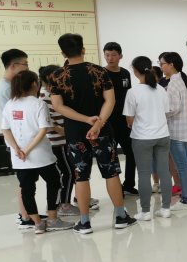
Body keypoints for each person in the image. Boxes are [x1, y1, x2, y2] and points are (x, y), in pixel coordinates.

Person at [50, 33, 136, 234]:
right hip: (102, 131)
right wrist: (98, 123)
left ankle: (84, 222)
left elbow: (58, 106)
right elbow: (110, 100)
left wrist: (85, 120)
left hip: (75, 133)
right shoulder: (99, 71)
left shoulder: (57, 76)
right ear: (83, 49)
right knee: (111, 172)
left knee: (81, 176)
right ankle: (121, 216)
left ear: (63, 53)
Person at [1, 70, 75, 234]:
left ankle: (38, 224)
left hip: (20, 158)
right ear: (34, 84)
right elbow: (43, 130)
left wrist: (17, 149)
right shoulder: (38, 103)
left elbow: (5, 130)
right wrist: (27, 149)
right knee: (54, 183)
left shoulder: (10, 104)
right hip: (41, 156)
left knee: (27, 189)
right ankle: (53, 219)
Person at [123, 56, 172, 221]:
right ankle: (166, 209)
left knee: (144, 174)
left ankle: (145, 212)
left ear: (135, 71)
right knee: (164, 172)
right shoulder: (161, 89)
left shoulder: (133, 92)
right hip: (163, 135)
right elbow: (166, 112)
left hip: (142, 138)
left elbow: (129, 119)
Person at [159, 52, 187, 211]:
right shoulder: (180, 79)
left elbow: (173, 108)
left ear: (171, 64)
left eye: (162, 63)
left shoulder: (173, 83)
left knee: (182, 167)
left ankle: (186, 199)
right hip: (184, 130)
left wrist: (159, 114)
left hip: (177, 131)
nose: (161, 67)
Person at [0, 48, 31, 226]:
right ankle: (24, 217)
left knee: (25, 180)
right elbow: (11, 120)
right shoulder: (7, 87)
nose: (27, 68)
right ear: (13, 66)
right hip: (17, 140)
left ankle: (27, 213)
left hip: (19, 139)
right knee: (24, 180)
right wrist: (17, 146)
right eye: (25, 64)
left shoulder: (9, 84)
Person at [38, 65, 76, 217]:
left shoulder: (51, 93)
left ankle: (63, 203)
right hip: (58, 141)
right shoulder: (45, 96)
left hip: (62, 140)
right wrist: (65, 132)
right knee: (69, 173)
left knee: (69, 172)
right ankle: (64, 205)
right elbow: (48, 123)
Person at [103, 42, 138, 196]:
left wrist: (131, 116)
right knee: (112, 156)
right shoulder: (101, 73)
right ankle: (116, 189)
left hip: (124, 121)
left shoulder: (125, 73)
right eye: (107, 55)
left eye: (113, 55)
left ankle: (129, 184)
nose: (110, 58)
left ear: (120, 56)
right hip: (108, 122)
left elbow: (128, 96)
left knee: (132, 152)